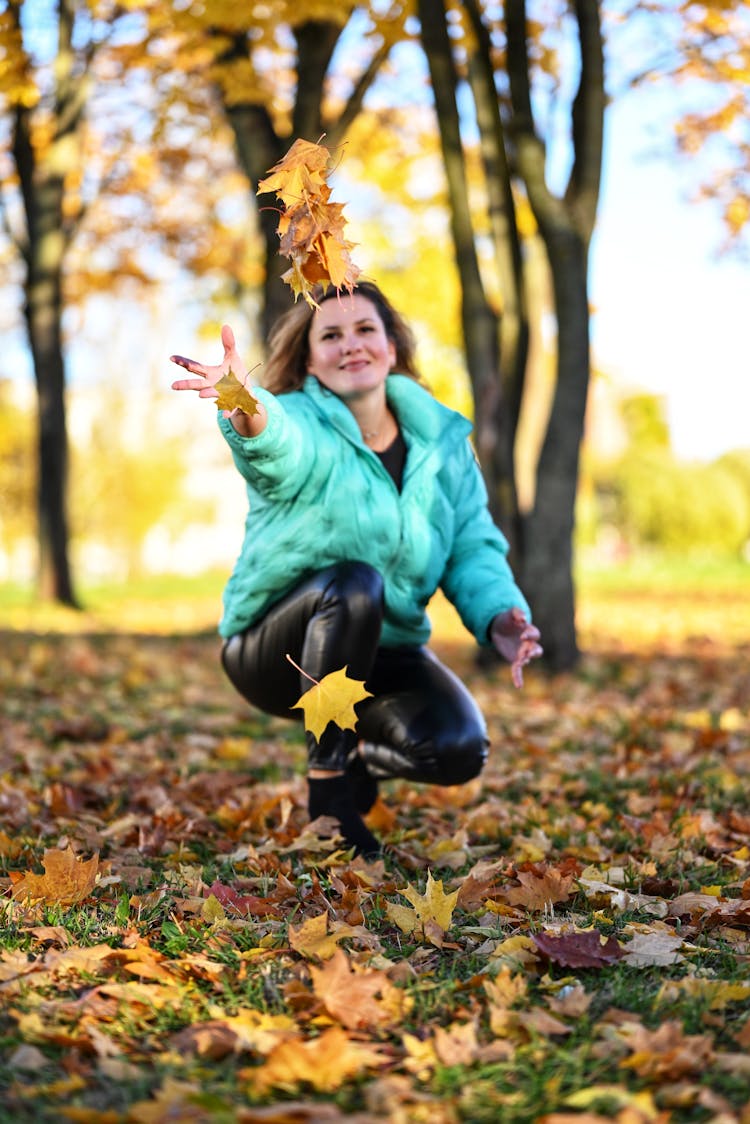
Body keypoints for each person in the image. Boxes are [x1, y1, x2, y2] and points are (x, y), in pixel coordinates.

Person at [170, 280, 542, 858]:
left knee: (459, 748)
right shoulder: (303, 423)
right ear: (311, 358)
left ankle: (357, 760)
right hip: (278, 648)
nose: (351, 345)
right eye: (331, 335)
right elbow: (275, 445)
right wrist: (245, 404)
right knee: (354, 583)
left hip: (382, 652)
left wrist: (500, 617)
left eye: (366, 330)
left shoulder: (443, 446)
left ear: (391, 346)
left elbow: (471, 546)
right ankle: (329, 794)